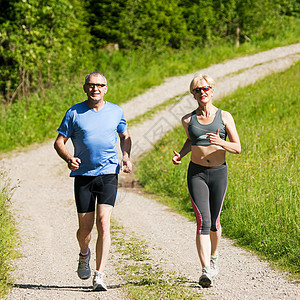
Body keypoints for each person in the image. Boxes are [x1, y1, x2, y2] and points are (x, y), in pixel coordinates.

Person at [54, 71, 132, 291]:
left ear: (106, 88)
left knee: (104, 223)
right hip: (83, 176)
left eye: (99, 85)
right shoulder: (74, 112)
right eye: (91, 85)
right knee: (85, 231)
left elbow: (125, 136)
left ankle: (99, 275)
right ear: (85, 88)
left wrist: (125, 156)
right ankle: (84, 253)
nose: (95, 88)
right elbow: (59, 142)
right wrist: (69, 157)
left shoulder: (116, 111)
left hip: (109, 173)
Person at [172, 73, 241, 288]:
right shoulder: (187, 119)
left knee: (214, 223)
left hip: (219, 172)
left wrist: (221, 142)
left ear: (212, 90)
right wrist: (180, 155)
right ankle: (205, 271)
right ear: (193, 94)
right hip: (197, 173)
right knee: (202, 221)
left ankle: (214, 256)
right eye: (198, 90)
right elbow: (190, 140)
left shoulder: (225, 117)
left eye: (206, 88)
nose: (203, 92)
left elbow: (237, 148)